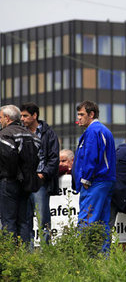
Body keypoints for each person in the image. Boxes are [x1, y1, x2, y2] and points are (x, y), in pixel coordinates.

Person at [72, 100, 116, 250]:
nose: (78, 118)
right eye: (78, 114)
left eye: (81, 114)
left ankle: (81, 256)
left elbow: (91, 157)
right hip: (105, 181)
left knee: (87, 219)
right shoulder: (103, 130)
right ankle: (104, 257)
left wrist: (86, 179)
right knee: (103, 222)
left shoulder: (93, 131)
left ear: (91, 114)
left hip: (95, 182)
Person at [0, 105, 41, 243]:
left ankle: (11, 254)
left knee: (8, 220)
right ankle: (25, 254)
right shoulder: (32, 135)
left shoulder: (4, 134)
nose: (0, 121)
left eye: (0, 117)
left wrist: (12, 175)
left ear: (7, 117)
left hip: (9, 181)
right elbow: (36, 159)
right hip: (27, 183)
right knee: (24, 221)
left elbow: (8, 157)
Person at [20, 102, 60, 244]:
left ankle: (46, 252)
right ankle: (29, 254)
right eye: (21, 116)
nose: (22, 119)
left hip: (40, 183)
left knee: (43, 219)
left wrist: (43, 174)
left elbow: (54, 157)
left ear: (34, 116)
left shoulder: (48, 133)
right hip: (24, 182)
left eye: (25, 116)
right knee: (25, 220)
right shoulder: (21, 133)